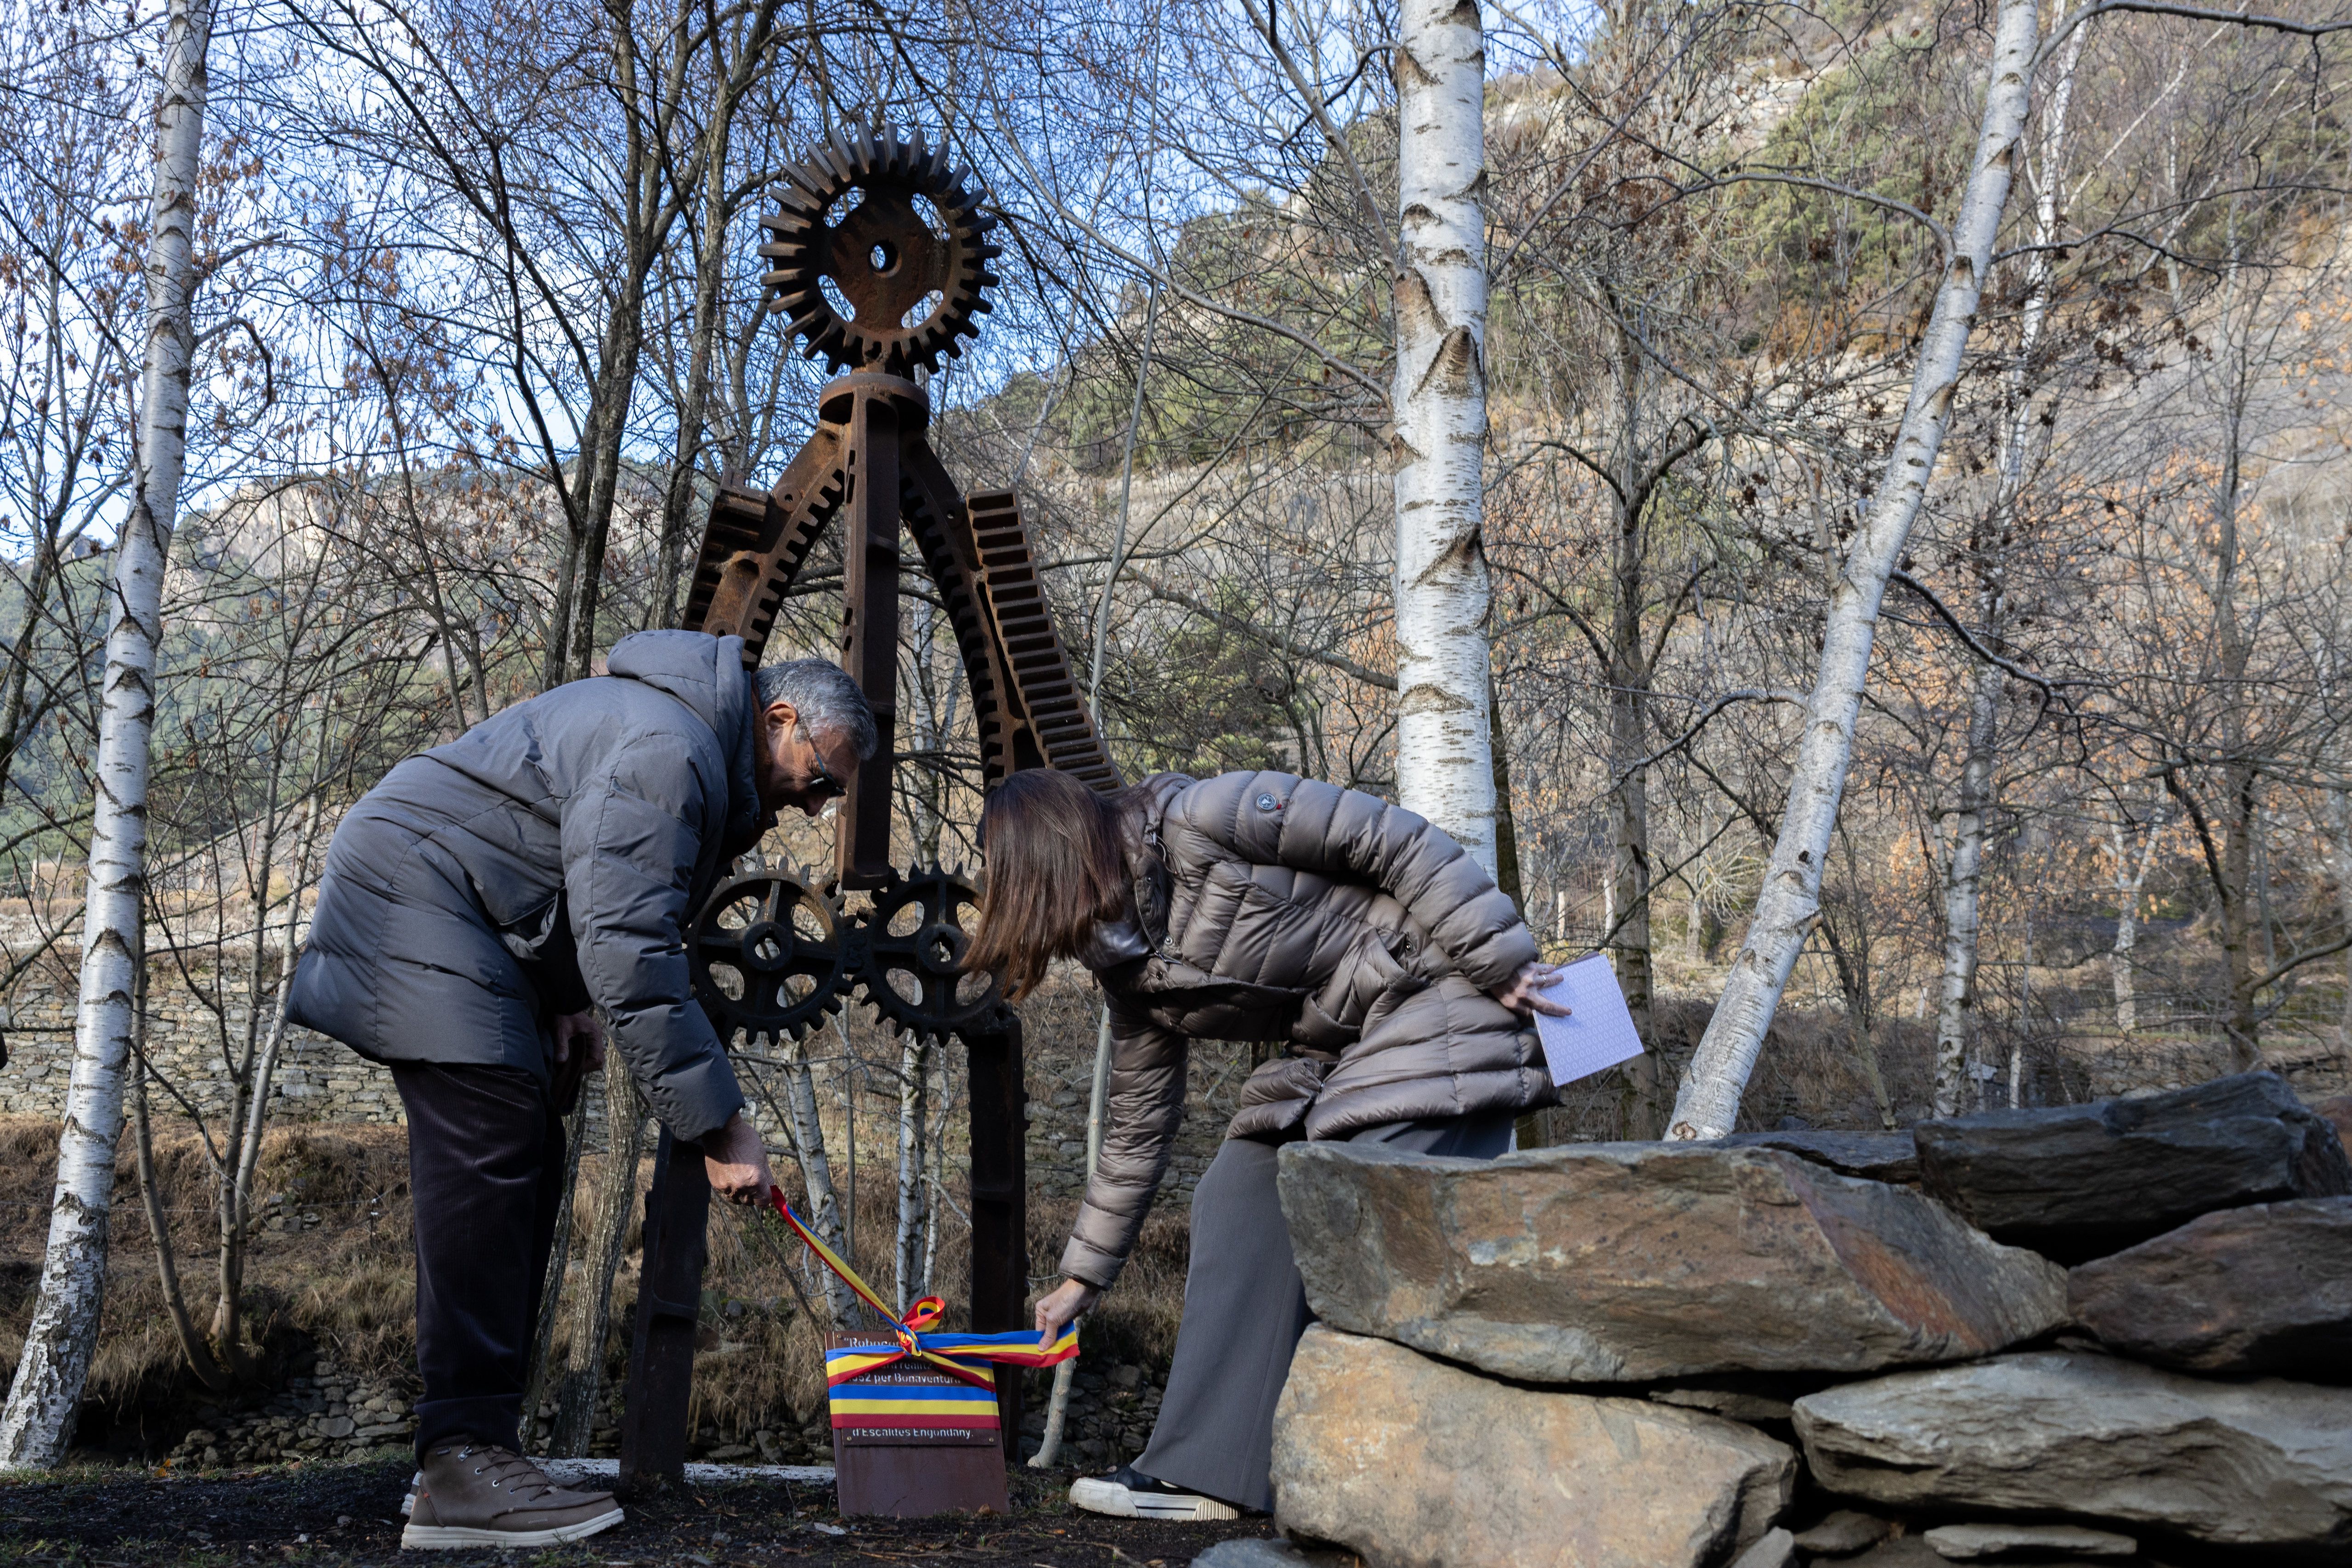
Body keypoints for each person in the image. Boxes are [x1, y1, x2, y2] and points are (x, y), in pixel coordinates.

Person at [287, 633, 876, 1551]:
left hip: (462, 910)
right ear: (779, 719)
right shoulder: (671, 748)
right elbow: (631, 949)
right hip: (415, 895)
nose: (817, 803)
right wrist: (722, 1127)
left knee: (523, 1146)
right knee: (490, 1146)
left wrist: (560, 995)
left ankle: (467, 1459)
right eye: (821, 777)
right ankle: (462, 1465)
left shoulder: (680, 739)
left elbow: (577, 878)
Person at [965, 766, 1566, 1521]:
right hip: (1346, 1048)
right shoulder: (1131, 967)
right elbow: (1136, 1127)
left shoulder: (1205, 818)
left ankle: (1385, 1481)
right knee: (1237, 1193)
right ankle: (1206, 1473)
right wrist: (1082, 1278)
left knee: (1349, 1181)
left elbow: (1391, 838)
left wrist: (1499, 957)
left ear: (1047, 863)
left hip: (1445, 989)